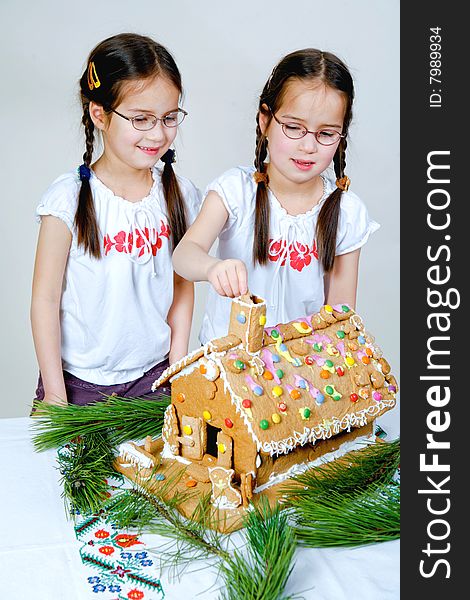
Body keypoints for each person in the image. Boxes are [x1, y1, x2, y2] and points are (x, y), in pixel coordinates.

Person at [31, 33, 200, 407]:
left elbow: (183, 288)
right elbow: (44, 299)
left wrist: (178, 366)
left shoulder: (182, 195)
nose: (158, 134)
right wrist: (56, 392)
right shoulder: (67, 199)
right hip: (77, 385)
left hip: (155, 379)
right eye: (140, 119)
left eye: (169, 117)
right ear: (99, 114)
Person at [173, 48, 379, 344]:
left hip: (299, 374)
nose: (309, 146)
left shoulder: (347, 211)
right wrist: (212, 267)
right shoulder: (235, 191)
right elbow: (184, 255)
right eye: (294, 127)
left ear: (342, 133)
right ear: (265, 120)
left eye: (326, 133)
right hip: (229, 364)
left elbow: (341, 317)